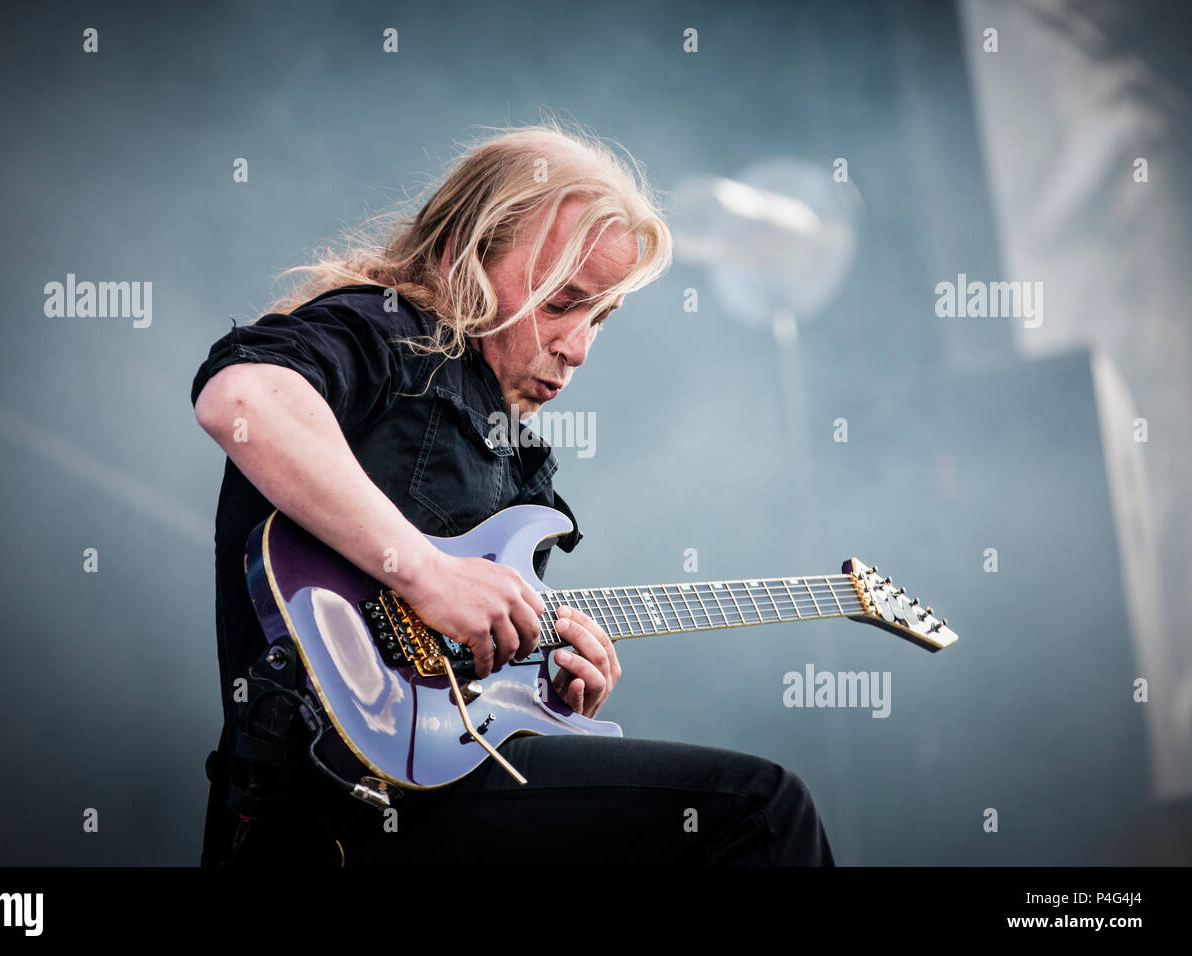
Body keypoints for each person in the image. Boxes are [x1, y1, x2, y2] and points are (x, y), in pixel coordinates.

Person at [190, 121, 835, 866]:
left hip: (427, 788)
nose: (580, 347)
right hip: (325, 807)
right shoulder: (383, 329)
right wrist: (426, 573)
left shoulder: (522, 462)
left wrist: (548, 698)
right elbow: (241, 400)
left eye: (600, 317)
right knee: (759, 811)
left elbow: (456, 685)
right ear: (460, 253)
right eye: (562, 302)